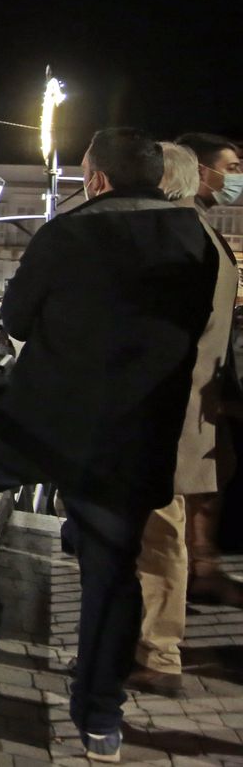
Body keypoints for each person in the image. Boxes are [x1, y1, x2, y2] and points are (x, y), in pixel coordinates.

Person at [0, 128, 216, 763]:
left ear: (96, 179)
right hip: (138, 432)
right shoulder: (197, 238)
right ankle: (100, 718)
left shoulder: (70, 231)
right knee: (113, 571)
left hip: (45, 420)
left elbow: (17, 320)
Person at [129, 140, 240, 694]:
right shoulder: (206, 239)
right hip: (184, 411)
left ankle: (159, 655)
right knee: (162, 532)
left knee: (159, 534)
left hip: (164, 414)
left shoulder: (179, 241)